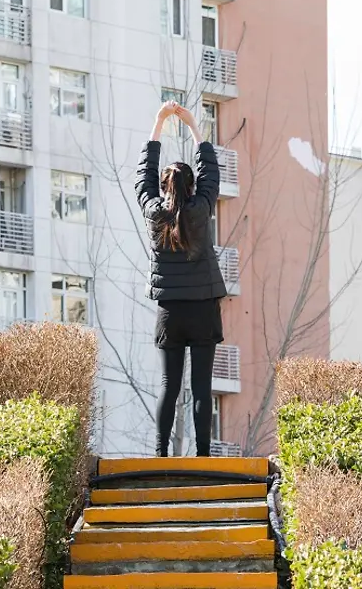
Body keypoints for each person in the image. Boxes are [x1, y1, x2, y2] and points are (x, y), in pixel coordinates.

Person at [136, 100, 227, 458]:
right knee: (202, 388)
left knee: (168, 386)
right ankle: (204, 457)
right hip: (204, 309)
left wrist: (159, 122)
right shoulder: (202, 208)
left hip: (170, 313)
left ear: (164, 187)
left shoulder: (154, 213)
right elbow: (211, 170)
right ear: (192, 185)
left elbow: (144, 177)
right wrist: (193, 125)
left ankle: (161, 454)